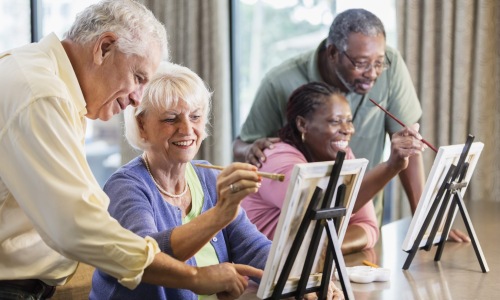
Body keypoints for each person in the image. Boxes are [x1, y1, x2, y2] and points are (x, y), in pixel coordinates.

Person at [0, 1, 260, 299]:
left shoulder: (46, 82)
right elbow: (79, 227)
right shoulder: (42, 94)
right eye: (138, 78)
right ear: (104, 48)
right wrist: (194, 277)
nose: (137, 98)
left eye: (196, 116)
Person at [90, 63, 344, 300]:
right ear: (141, 125)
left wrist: (305, 280)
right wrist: (221, 214)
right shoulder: (126, 187)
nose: (187, 129)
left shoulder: (208, 177)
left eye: (196, 116)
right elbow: (146, 261)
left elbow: (254, 248)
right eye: (171, 119)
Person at [233, 9, 470, 243]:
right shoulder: (279, 82)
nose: (373, 73)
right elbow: (243, 145)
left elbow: (408, 143)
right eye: (361, 63)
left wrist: (424, 217)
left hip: (359, 209)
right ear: (333, 53)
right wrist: (250, 149)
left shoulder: (390, 63)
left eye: (378, 63)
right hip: (293, 225)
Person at [242, 82, 427, 254]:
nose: (347, 129)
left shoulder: (342, 154)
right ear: (302, 124)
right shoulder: (275, 159)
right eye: (335, 121)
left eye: (349, 120)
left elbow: (367, 227)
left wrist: (321, 249)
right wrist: (390, 166)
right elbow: (322, 208)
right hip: (253, 280)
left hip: (303, 275)